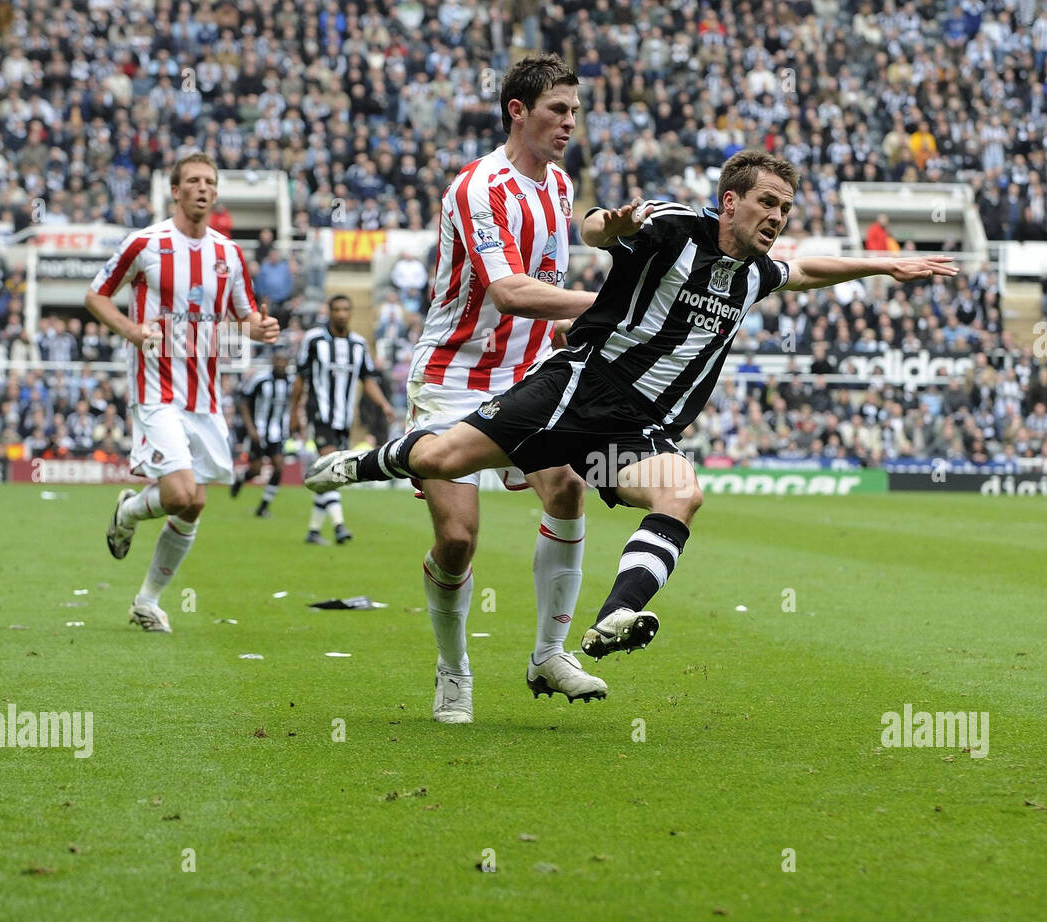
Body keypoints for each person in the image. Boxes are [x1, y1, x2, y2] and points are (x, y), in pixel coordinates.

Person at [306, 150, 957, 671]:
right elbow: (601, 225)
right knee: (440, 456)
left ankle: (613, 618)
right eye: (767, 202)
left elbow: (806, 268)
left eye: (785, 207)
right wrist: (607, 228)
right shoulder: (677, 228)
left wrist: (884, 266)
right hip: (579, 390)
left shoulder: (756, 273)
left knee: (682, 492)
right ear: (730, 201)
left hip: (638, 429)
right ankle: (359, 464)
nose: (777, 216)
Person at [385, 54, 606, 725]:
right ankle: (453, 671)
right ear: (517, 110)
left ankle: (548, 654)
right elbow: (509, 292)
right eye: (556, 110)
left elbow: (545, 280)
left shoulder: (560, 188)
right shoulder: (479, 187)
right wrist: (598, 307)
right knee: (457, 540)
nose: (569, 122)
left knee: (566, 488)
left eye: (573, 110)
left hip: (527, 377)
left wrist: (570, 331)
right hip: (453, 379)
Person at [86, 152, 280, 633]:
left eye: (209, 182)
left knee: (194, 502)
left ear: (216, 193)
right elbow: (96, 296)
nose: (202, 188)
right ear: (175, 191)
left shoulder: (228, 254)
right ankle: (129, 512)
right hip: (156, 388)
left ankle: (146, 601)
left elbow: (244, 315)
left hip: (206, 395)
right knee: (177, 492)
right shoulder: (145, 243)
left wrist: (262, 327)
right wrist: (132, 331)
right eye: (192, 181)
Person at [289, 295, 395, 545]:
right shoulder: (314, 340)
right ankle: (339, 526)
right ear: (329, 312)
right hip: (321, 414)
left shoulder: (358, 344)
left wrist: (384, 404)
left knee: (327, 471)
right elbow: (300, 379)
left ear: (350, 312)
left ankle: (314, 532)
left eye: (345, 309)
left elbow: (367, 379)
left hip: (344, 418)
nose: (341, 314)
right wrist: (294, 412)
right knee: (332, 467)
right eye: (336, 309)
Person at [231, 347, 293, 517]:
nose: (281, 363)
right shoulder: (261, 379)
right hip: (259, 431)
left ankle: (264, 506)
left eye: (284, 360)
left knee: (279, 466)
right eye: (278, 360)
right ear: (273, 360)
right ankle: (242, 478)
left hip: (278, 432)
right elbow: (243, 402)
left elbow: (295, 403)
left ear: (288, 363)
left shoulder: (291, 382)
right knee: (257, 471)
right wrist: (250, 428)